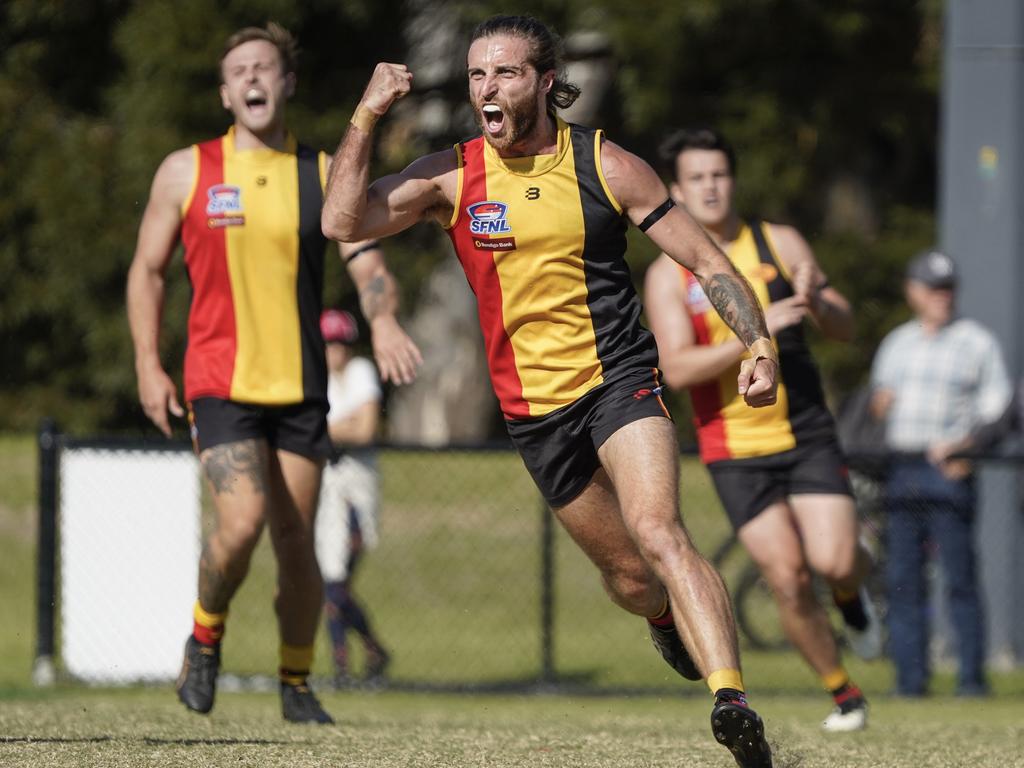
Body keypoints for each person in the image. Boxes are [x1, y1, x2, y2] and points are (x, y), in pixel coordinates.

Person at [322, 14, 779, 767]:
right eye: (476, 75)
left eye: (503, 73)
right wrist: (368, 113)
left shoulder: (608, 165)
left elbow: (706, 257)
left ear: (544, 80)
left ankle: (731, 701)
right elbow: (342, 220)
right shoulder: (453, 175)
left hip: (618, 381)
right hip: (533, 414)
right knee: (630, 577)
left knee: (660, 530)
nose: (486, 89)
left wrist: (756, 341)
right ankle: (664, 617)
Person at [125, 22, 420, 723]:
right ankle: (205, 638)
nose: (254, 77)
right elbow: (147, 271)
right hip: (218, 380)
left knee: (298, 544)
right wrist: (146, 363)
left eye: (266, 66)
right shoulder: (185, 171)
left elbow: (366, 260)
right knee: (241, 521)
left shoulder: (319, 173)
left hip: (299, 389)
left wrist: (381, 318)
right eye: (240, 70)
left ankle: (295, 683)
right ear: (227, 93)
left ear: (286, 83)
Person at [643, 127, 882, 733]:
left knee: (833, 561)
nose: (711, 187)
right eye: (697, 178)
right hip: (734, 449)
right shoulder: (670, 273)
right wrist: (756, 329)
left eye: (719, 174)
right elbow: (674, 367)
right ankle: (844, 693)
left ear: (733, 178)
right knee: (787, 577)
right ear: (676, 190)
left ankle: (853, 597)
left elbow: (846, 326)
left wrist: (818, 304)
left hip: (804, 433)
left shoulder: (778, 241)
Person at [869, 248, 1011, 697]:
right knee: (904, 580)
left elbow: (997, 410)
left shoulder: (977, 342)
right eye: (933, 289)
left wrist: (967, 449)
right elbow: (876, 407)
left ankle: (971, 680)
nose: (942, 297)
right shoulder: (897, 344)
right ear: (914, 292)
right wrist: (879, 408)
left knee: (960, 578)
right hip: (902, 468)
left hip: (947, 470)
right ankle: (910, 682)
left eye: (948, 289)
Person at [315, 308, 391, 687]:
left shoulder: (361, 372)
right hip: (326, 491)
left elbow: (364, 429)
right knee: (332, 582)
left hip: (356, 492)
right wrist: (340, 426)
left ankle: (357, 661)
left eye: (340, 342)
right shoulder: (316, 377)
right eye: (329, 343)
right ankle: (357, 660)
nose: (335, 350)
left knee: (337, 583)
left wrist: (325, 429)